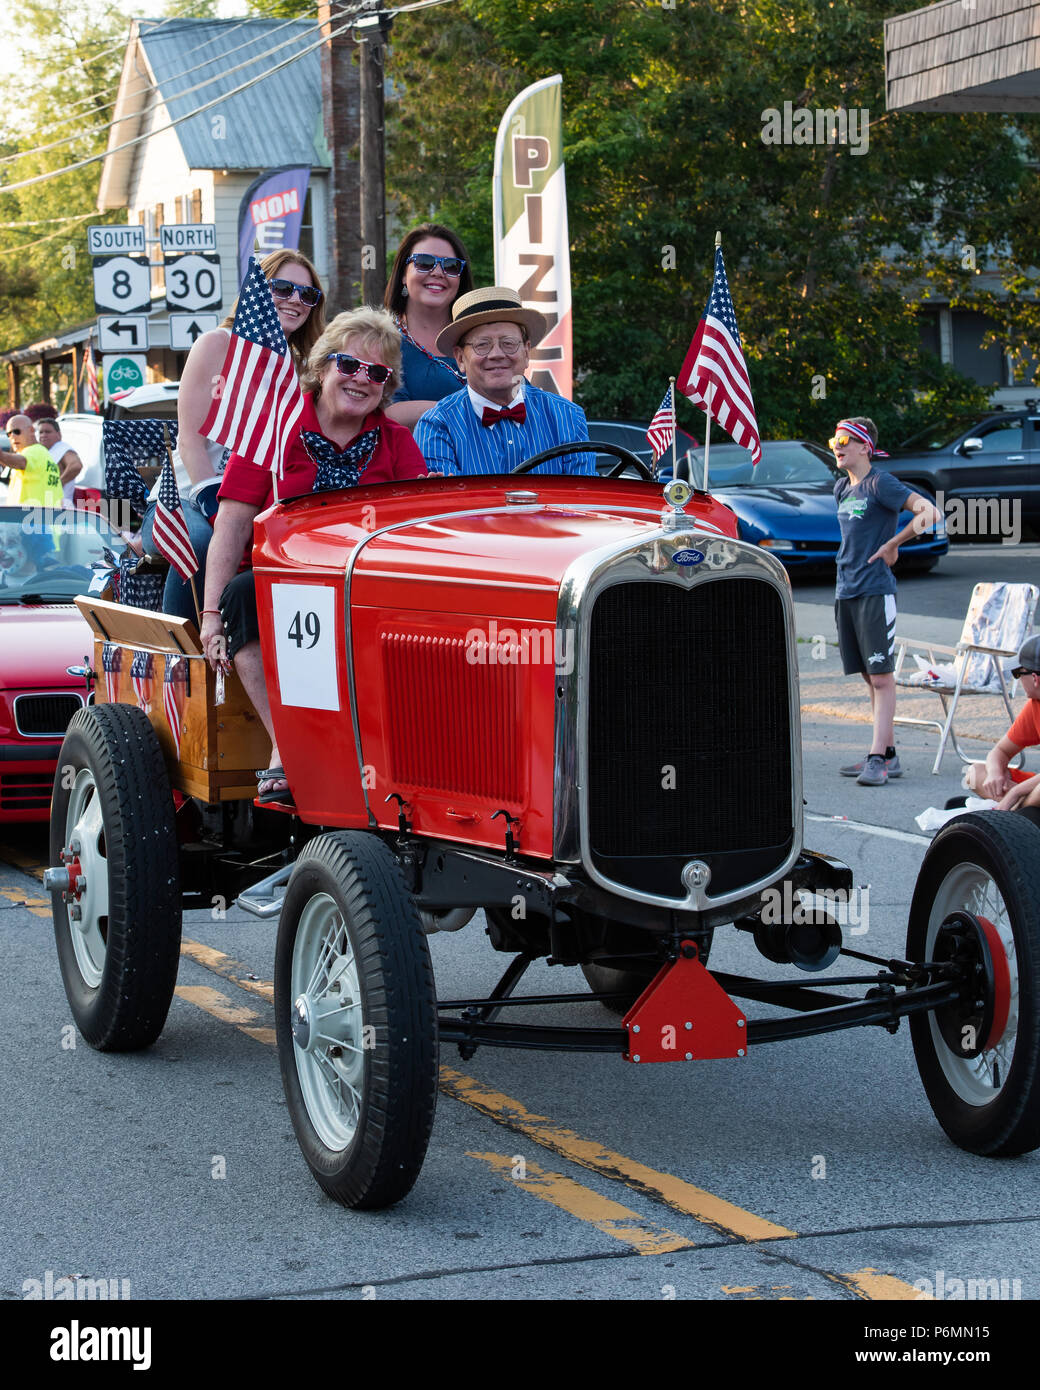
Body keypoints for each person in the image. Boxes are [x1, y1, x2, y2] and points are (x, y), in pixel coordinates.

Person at [201, 307, 427, 804]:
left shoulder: (398, 444)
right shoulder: (273, 429)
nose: (361, 379)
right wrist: (211, 615)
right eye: (349, 365)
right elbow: (233, 524)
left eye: (378, 373)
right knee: (242, 596)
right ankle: (287, 747)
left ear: (387, 387)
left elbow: (417, 528)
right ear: (323, 365)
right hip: (280, 579)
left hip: (362, 580)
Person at [141, 248, 327, 622]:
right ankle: (186, 657)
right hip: (185, 500)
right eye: (283, 287)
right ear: (257, 289)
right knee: (203, 544)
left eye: (307, 294)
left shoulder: (305, 366)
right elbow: (190, 438)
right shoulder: (218, 344)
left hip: (255, 500)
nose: (295, 300)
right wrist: (210, 497)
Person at [831, 417, 942, 787]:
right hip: (846, 591)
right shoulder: (842, 489)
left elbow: (930, 512)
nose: (837, 445)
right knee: (868, 676)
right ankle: (888, 754)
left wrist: (894, 543)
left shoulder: (882, 483)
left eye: (845, 439)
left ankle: (877, 757)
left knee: (881, 678)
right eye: (834, 438)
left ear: (865, 446)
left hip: (875, 591)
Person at [414, 286, 596, 477]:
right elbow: (452, 504)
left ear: (526, 353)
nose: (497, 354)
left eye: (508, 343)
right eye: (482, 345)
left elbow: (583, 498)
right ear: (460, 359)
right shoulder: (436, 425)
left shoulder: (568, 416)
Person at [383, 224, 473, 430]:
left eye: (451, 266)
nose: (438, 272)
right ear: (403, 275)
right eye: (424, 262)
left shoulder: (479, 334)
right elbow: (386, 414)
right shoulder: (380, 339)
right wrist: (467, 411)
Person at [959, 634, 1040, 828]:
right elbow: (1000, 751)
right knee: (973, 774)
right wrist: (995, 773)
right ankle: (1023, 811)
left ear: (1035, 678)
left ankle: (1017, 810)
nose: (1018, 680)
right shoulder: (1034, 705)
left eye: (1018, 674)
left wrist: (1015, 792)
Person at [0, 414, 63, 508]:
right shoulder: (44, 455)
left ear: (31, 430)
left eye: (17, 431)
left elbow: (21, 462)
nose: (12, 436)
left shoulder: (33, 451)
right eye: (8, 434)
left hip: (31, 519)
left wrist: (1, 455)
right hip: (45, 518)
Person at [34, 418, 83, 504]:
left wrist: (57, 484)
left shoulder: (62, 448)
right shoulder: (41, 451)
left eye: (48, 432)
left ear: (59, 434)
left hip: (61, 506)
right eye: (41, 432)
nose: (43, 435)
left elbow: (76, 466)